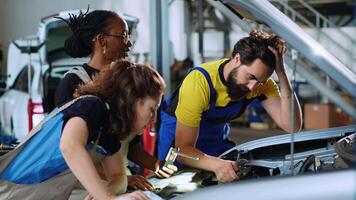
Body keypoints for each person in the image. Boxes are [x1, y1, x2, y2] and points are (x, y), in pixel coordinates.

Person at [0, 60, 164, 200]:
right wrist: (108, 198)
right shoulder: (91, 106)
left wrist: (107, 194)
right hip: (13, 191)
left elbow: (117, 176)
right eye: (152, 108)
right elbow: (70, 146)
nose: (154, 118)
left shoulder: (111, 127)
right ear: (134, 99)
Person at [54, 9, 176, 193]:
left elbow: (125, 145)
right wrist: (116, 183)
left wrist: (155, 164)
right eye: (123, 36)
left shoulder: (125, 83)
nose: (129, 43)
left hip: (115, 179)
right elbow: (70, 146)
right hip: (83, 185)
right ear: (102, 40)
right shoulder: (76, 85)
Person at [158, 30, 303, 183]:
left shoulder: (261, 83)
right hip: (178, 147)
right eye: (251, 77)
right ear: (237, 58)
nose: (253, 87)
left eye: (260, 81)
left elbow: (292, 126)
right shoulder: (199, 82)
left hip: (214, 143)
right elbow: (183, 150)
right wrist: (216, 164)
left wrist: (281, 74)